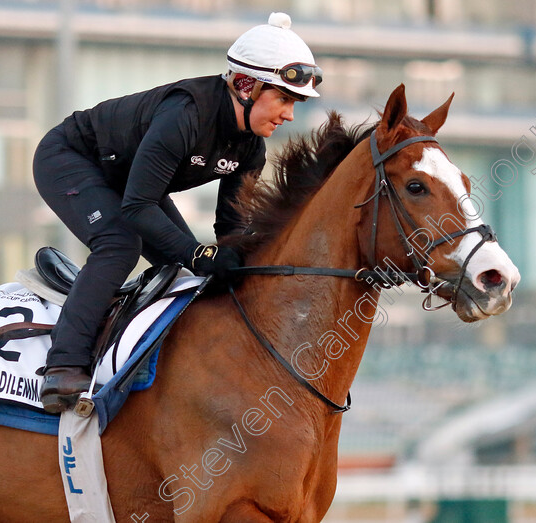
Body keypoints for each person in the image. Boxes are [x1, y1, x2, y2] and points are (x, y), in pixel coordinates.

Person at [33, 12, 322, 413]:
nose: (289, 114)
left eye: (295, 103)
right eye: (285, 99)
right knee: (120, 244)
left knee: (189, 272)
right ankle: (63, 365)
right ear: (245, 85)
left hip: (128, 180)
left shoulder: (251, 147)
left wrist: (242, 262)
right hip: (71, 158)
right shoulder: (186, 114)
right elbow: (137, 207)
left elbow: (231, 226)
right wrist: (199, 253)